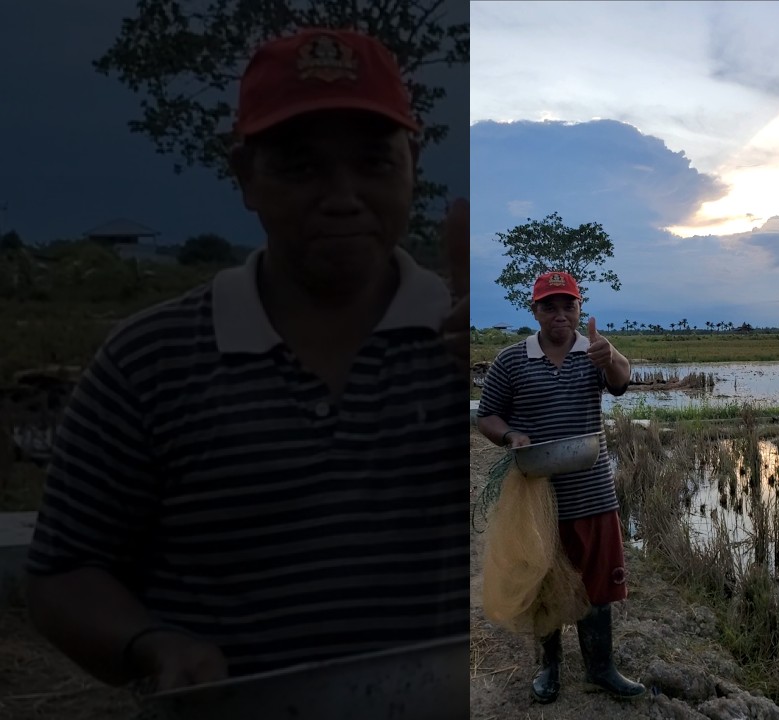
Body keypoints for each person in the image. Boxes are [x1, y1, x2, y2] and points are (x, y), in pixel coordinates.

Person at [24, 27, 470, 693]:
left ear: (414, 161)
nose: (342, 195)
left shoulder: (480, 349)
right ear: (244, 177)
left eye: (374, 163)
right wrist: (148, 643)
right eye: (301, 166)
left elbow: (579, 528)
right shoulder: (149, 361)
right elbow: (64, 571)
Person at [475, 270, 646, 703]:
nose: (559, 314)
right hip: (537, 497)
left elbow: (623, 382)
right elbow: (487, 415)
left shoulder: (595, 353)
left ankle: (601, 668)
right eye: (549, 306)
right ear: (535, 311)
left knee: (599, 585)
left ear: (578, 308)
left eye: (567, 305)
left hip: (593, 492)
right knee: (544, 580)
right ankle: (549, 667)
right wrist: (510, 436)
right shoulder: (512, 361)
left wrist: (611, 356)